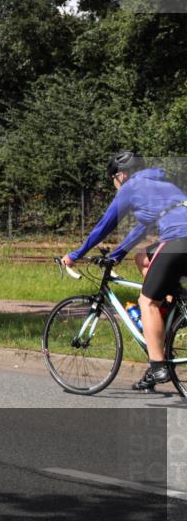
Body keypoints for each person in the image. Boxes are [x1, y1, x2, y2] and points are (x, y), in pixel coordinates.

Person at [62, 151, 187, 390]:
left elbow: (104, 226)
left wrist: (75, 255)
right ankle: (174, 302)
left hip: (178, 241)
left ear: (121, 175)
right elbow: (140, 229)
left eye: (113, 180)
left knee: (147, 302)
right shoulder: (162, 185)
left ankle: (159, 366)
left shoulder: (131, 187)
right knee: (143, 258)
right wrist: (118, 255)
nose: (115, 185)